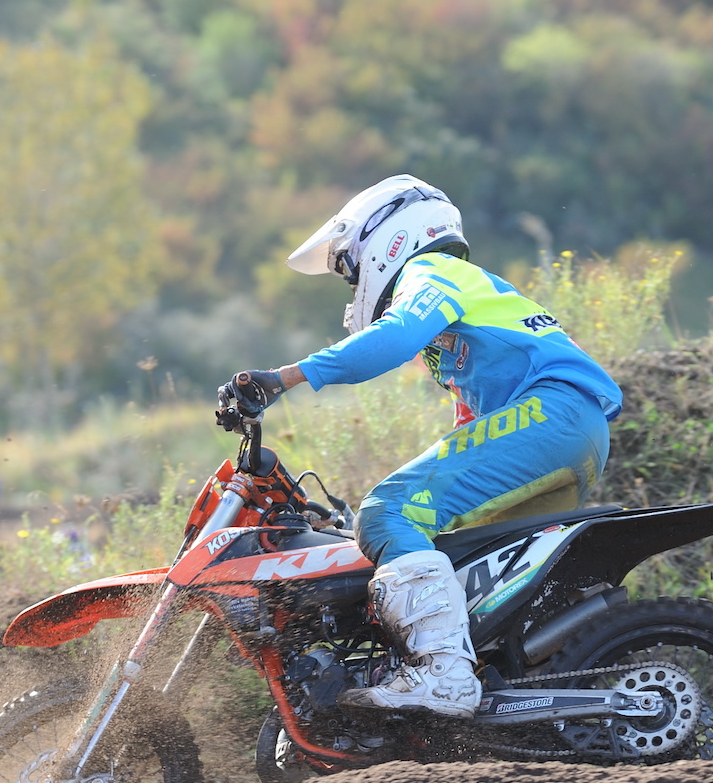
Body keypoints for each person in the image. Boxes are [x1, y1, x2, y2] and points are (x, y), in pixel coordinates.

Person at [221, 175, 622, 719]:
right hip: (568, 429)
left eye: (351, 270)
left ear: (388, 238)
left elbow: (391, 339)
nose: (355, 285)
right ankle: (494, 689)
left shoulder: (432, 271)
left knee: (388, 509)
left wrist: (283, 378)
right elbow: (467, 435)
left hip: (554, 414)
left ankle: (444, 676)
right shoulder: (463, 319)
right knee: (456, 564)